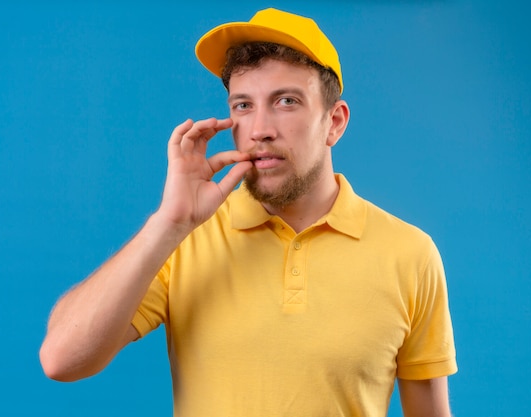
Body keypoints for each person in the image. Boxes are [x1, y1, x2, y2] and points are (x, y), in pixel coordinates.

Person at [40, 8, 457, 417]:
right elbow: (62, 360)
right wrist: (168, 224)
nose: (260, 129)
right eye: (243, 105)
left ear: (334, 122)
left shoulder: (410, 254)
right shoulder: (184, 239)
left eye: (286, 101)